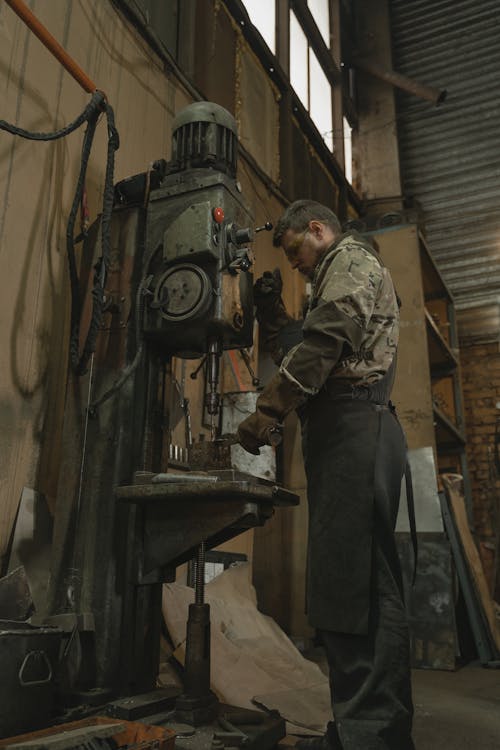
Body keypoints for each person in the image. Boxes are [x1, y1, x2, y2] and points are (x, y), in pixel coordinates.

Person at [237, 200, 415, 750]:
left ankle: (373, 737)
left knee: (358, 588)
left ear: (318, 230)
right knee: (346, 586)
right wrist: (272, 314)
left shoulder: (352, 259)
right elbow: (304, 344)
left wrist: (268, 410)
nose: (296, 266)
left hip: (357, 430)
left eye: (296, 252)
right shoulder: (331, 279)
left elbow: (323, 345)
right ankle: (359, 729)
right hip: (343, 435)